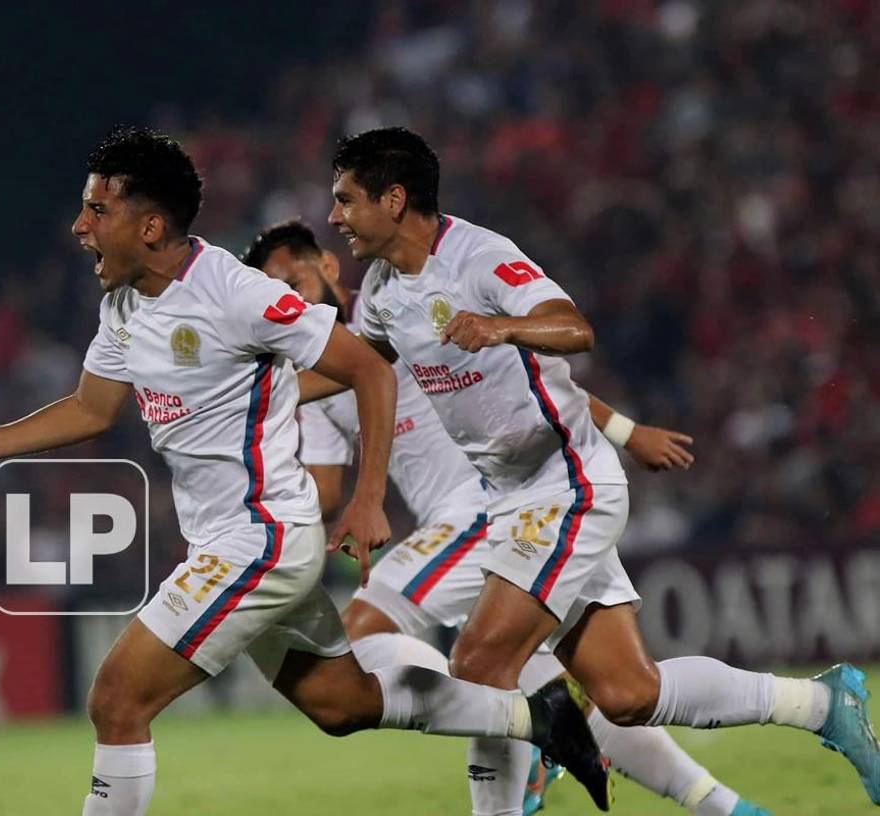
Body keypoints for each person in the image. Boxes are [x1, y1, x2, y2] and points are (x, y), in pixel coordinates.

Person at [0, 126, 613, 816]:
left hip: (259, 540)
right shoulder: (124, 304)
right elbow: (90, 407)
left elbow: (368, 369)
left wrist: (367, 499)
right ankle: (539, 716)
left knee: (116, 700)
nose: (80, 227)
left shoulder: (236, 294)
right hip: (229, 541)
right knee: (343, 704)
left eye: (97, 210)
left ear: (150, 227)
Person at [311, 126, 879, 812]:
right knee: (629, 694)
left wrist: (502, 326)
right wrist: (256, 391)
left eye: (346, 199)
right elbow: (357, 368)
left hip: (566, 488)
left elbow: (573, 328)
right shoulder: (381, 288)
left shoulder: (481, 259)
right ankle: (822, 704)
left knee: (481, 664)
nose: (334, 216)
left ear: (394, 199)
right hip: (511, 499)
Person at [244, 219, 772, 816]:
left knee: (368, 633)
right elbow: (323, 493)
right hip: (482, 516)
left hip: (489, 504)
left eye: (294, 281)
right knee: (610, 690)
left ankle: (522, 719)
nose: (292, 298)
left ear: (328, 266)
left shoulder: (395, 304)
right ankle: (722, 805)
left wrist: (626, 431)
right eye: (276, 294)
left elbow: (528, 378)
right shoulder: (311, 375)